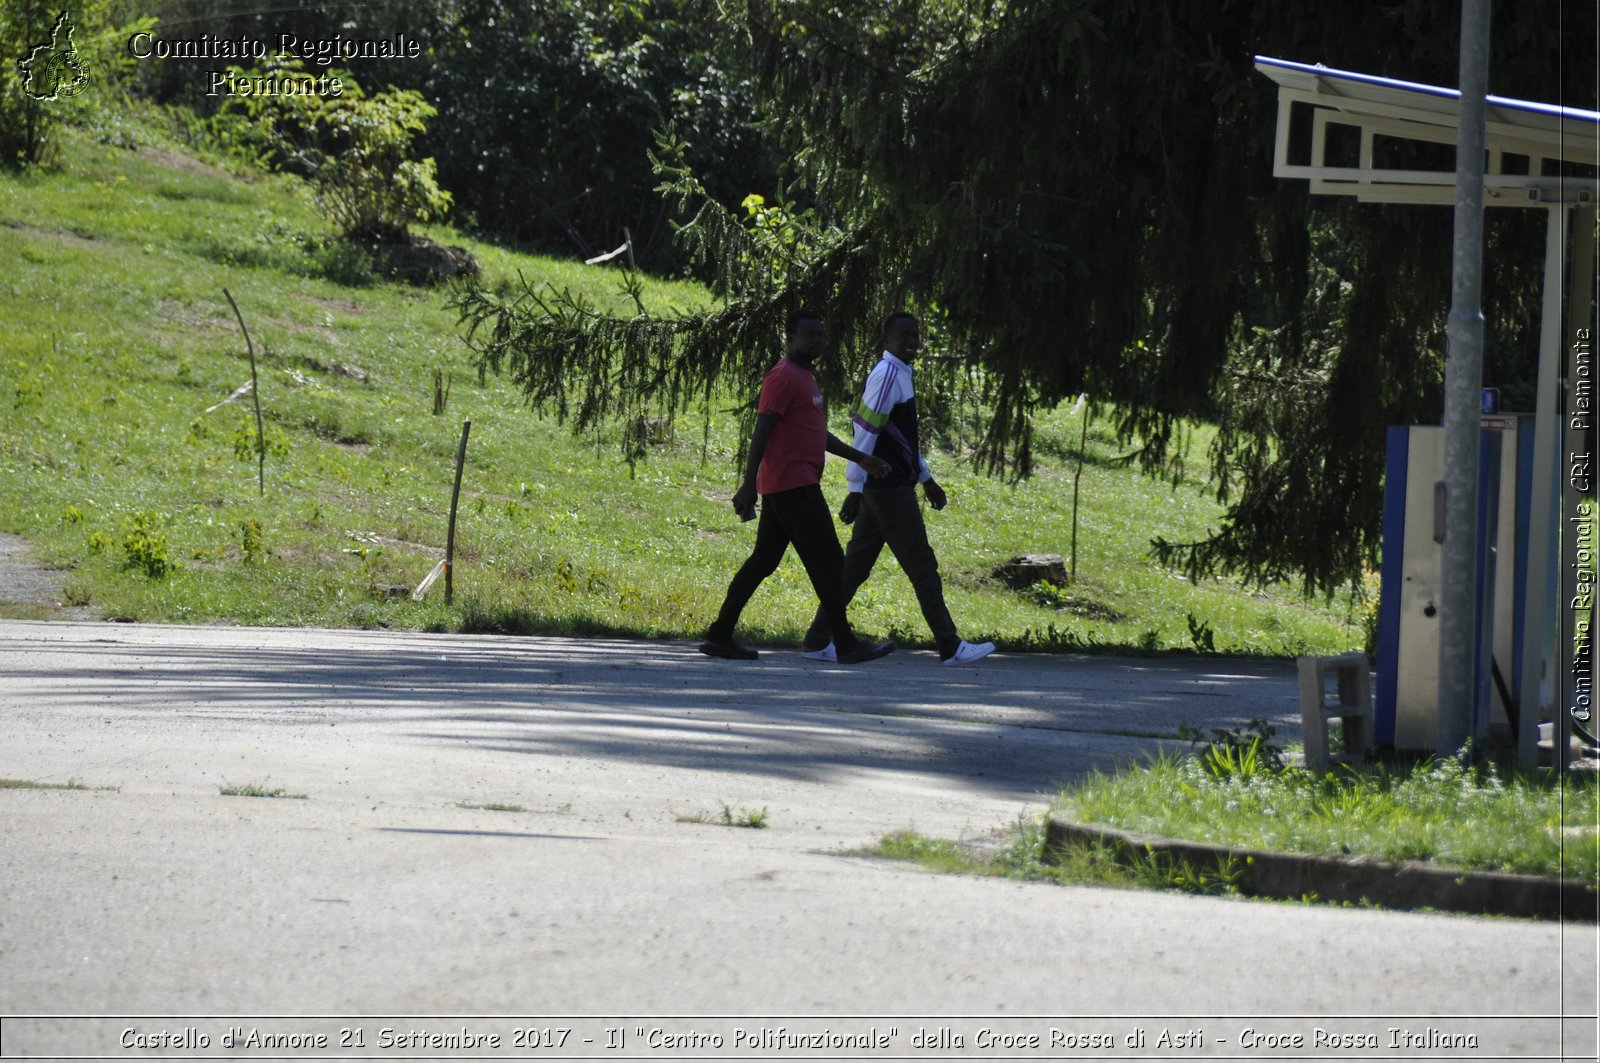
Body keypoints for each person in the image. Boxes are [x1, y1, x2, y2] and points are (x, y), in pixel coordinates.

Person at [699, 310, 896, 664]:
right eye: (809, 334)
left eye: (821, 334)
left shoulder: (804, 377)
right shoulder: (783, 377)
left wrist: (861, 457)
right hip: (793, 486)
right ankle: (845, 643)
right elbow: (761, 431)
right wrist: (748, 484)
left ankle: (719, 635)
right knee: (831, 561)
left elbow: (817, 433)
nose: (817, 340)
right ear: (790, 336)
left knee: (763, 561)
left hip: (789, 486)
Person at [802, 312, 996, 666]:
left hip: (887, 485)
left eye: (916, 334)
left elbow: (902, 438)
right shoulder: (888, 375)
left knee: (853, 570)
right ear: (886, 338)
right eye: (904, 334)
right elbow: (865, 431)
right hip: (886, 488)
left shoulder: (901, 373)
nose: (912, 340)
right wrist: (855, 487)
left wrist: (926, 479)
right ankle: (950, 645)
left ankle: (817, 639)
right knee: (922, 564)